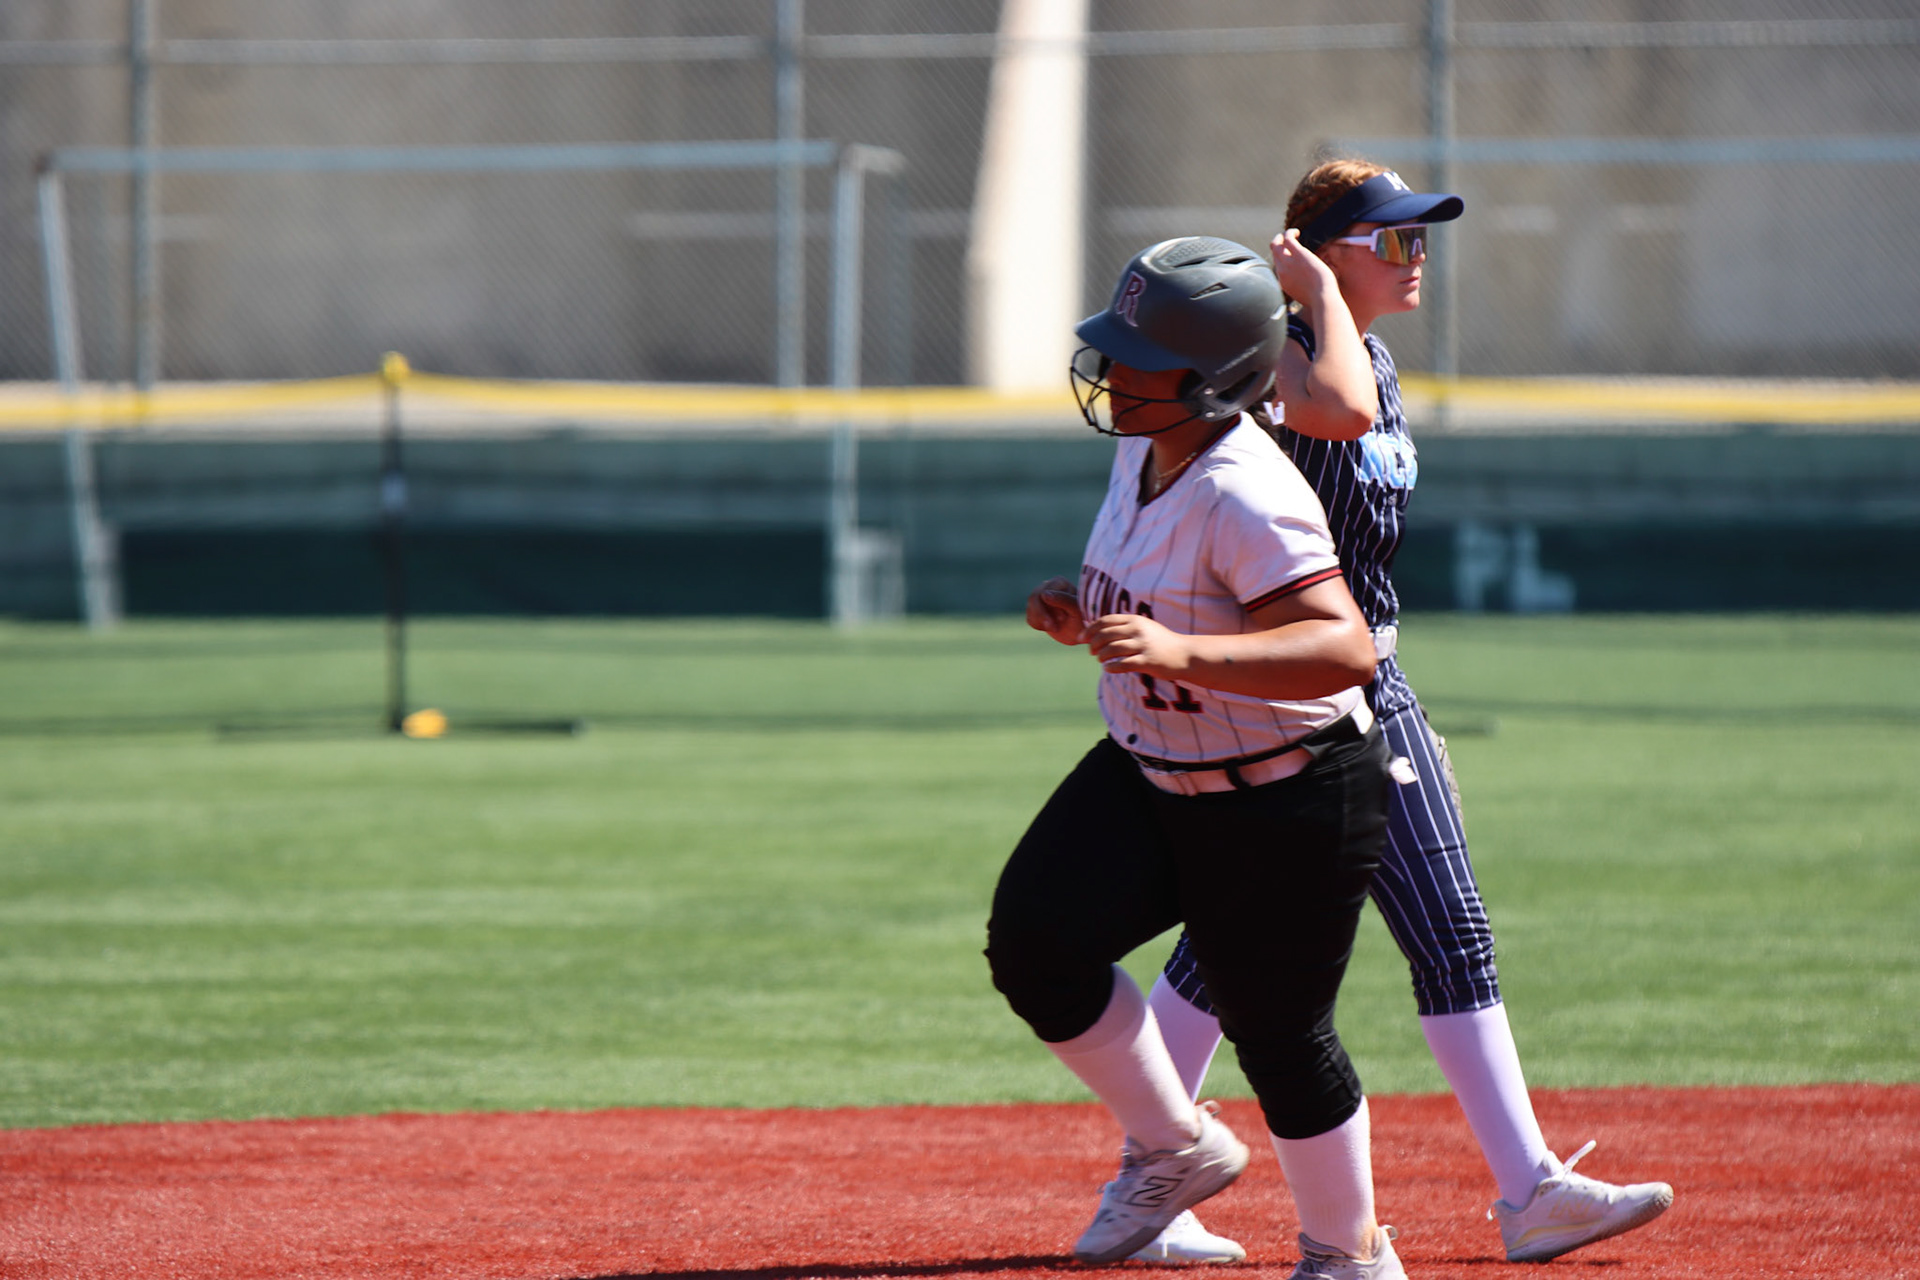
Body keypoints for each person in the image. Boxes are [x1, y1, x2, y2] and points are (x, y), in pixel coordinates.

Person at [1118, 162, 1675, 1267]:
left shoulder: (1365, 350)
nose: (1417, 258)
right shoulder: (1272, 356)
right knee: (1405, 931)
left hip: (1369, 682)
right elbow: (1337, 412)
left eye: (1421, 239)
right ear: (1319, 254)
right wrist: (1314, 292)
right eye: (1393, 240)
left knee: (1246, 944)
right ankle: (1526, 1191)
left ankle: (1153, 1180)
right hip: (1303, 691)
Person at [987, 235, 1411, 1280]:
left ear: (1211, 379)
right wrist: (1080, 605)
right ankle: (1175, 1146)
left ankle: (1350, 1253)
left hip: (1291, 789)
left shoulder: (1244, 488)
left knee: (1278, 1031)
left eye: (1138, 356)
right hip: (1153, 768)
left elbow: (1343, 649)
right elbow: (1158, 590)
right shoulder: (1145, 444)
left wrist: (1179, 650)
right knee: (1036, 941)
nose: (1110, 370)